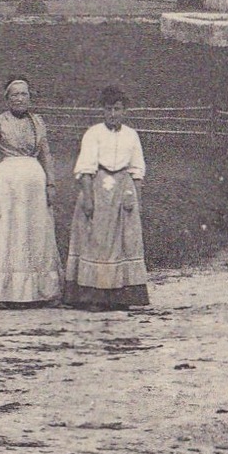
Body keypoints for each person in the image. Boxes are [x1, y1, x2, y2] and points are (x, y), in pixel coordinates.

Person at [0, 78, 62, 306]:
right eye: (15, 95)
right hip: (8, 183)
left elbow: (46, 155)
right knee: (7, 231)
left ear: (30, 97)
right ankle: (3, 293)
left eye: (24, 94)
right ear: (7, 99)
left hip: (35, 186)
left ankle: (40, 292)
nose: (19, 99)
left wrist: (51, 184)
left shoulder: (37, 122)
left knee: (35, 233)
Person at [64, 86, 150, 311]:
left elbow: (137, 170)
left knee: (124, 241)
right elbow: (85, 170)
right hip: (99, 187)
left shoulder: (131, 135)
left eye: (118, 109)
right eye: (109, 109)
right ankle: (94, 296)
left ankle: (120, 296)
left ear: (125, 111)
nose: (113, 114)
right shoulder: (94, 133)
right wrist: (88, 199)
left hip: (123, 189)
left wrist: (136, 199)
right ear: (103, 111)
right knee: (98, 240)